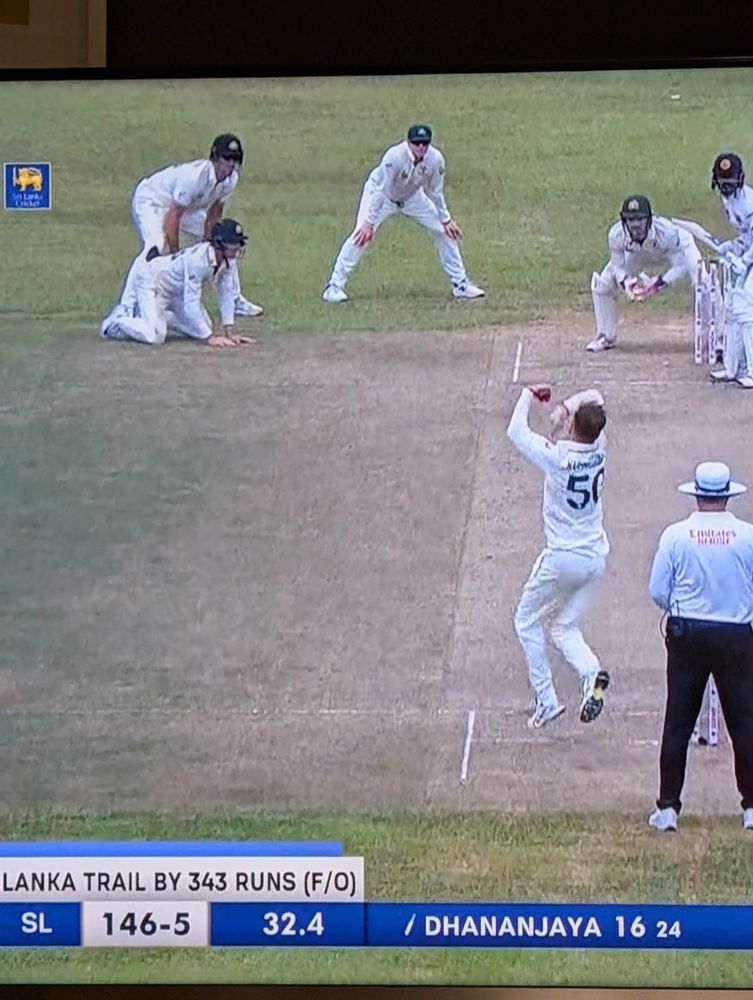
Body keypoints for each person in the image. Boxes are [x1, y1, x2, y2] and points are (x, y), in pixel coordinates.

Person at [647, 461, 753, 833]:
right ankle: (752, 808)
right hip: (735, 635)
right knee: (745, 723)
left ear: (697, 495)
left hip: (688, 633)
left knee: (678, 722)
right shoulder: (747, 536)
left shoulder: (677, 535)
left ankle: (668, 809)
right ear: (725, 495)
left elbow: (658, 590)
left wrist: (682, 608)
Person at [506, 383, 610, 729]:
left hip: (564, 558)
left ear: (571, 427)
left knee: (526, 620)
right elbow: (595, 396)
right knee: (564, 629)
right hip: (595, 557)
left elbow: (516, 431)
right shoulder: (601, 448)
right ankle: (591, 674)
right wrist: (569, 406)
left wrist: (527, 395)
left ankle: (547, 701)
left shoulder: (557, 457)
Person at [105, 133, 262, 329]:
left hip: (186, 208)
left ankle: (234, 298)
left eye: (236, 160)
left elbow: (215, 211)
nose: (231, 164)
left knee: (227, 241)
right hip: (154, 199)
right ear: (215, 158)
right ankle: (125, 307)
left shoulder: (231, 180)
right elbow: (173, 217)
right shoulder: (194, 178)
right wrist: (175, 255)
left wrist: (210, 241)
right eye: (227, 159)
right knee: (156, 244)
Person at [322, 123, 484, 303]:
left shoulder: (436, 159)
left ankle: (460, 284)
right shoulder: (394, 157)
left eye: (425, 143)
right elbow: (382, 191)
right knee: (361, 236)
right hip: (381, 196)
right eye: (417, 143)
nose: (421, 147)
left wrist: (446, 220)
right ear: (409, 142)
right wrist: (369, 223)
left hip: (413, 198)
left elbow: (435, 192)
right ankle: (334, 287)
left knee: (445, 233)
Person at [100, 219, 255, 348]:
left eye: (238, 243)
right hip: (153, 284)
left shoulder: (229, 260)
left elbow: (226, 293)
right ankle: (117, 320)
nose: (237, 247)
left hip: (176, 292)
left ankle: (161, 317)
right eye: (233, 243)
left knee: (203, 326)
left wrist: (229, 330)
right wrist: (209, 338)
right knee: (155, 336)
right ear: (219, 243)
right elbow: (191, 303)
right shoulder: (198, 261)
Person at [587, 194, 702, 352]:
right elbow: (618, 266)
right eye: (631, 220)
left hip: (668, 249)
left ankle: (717, 337)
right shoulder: (616, 235)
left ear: (649, 219)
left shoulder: (667, 232)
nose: (636, 226)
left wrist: (660, 282)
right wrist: (627, 283)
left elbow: (681, 265)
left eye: (640, 220)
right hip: (635, 252)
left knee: (702, 281)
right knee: (603, 284)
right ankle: (605, 336)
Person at [708, 153, 753, 389]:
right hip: (747, 253)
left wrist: (744, 260)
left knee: (746, 309)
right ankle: (733, 367)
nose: (726, 189)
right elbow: (747, 235)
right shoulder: (729, 201)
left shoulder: (748, 202)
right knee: (733, 308)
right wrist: (732, 246)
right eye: (723, 184)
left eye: (730, 184)